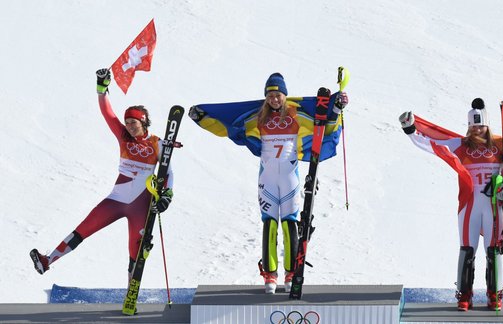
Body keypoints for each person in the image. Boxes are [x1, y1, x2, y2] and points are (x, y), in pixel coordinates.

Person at [189, 72, 348, 294]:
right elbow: (227, 126)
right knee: (269, 224)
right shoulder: (257, 117)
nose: (274, 99)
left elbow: (324, 126)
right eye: (270, 95)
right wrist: (202, 118)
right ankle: (269, 274)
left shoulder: (297, 113)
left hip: (290, 178)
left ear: (285, 95)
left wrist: (337, 108)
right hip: (267, 179)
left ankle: (291, 273)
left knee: (289, 224)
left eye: (278, 94)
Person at [29, 68, 175, 288]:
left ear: (144, 122)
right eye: (127, 123)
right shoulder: (124, 137)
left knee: (135, 249)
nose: (129, 127)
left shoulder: (158, 143)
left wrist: (167, 196)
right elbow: (108, 113)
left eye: (133, 123)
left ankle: (130, 293)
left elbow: (168, 172)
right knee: (83, 229)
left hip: (140, 206)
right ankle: (46, 261)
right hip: (115, 201)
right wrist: (102, 88)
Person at [398, 98, 503, 311]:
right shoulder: (460, 145)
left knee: (493, 250)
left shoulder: (500, 143)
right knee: (467, 249)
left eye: (480, 125)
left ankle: (494, 295)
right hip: (469, 206)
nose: (476, 130)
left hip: (494, 205)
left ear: (486, 125)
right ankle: (464, 296)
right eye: (472, 126)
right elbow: (432, 144)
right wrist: (411, 130)